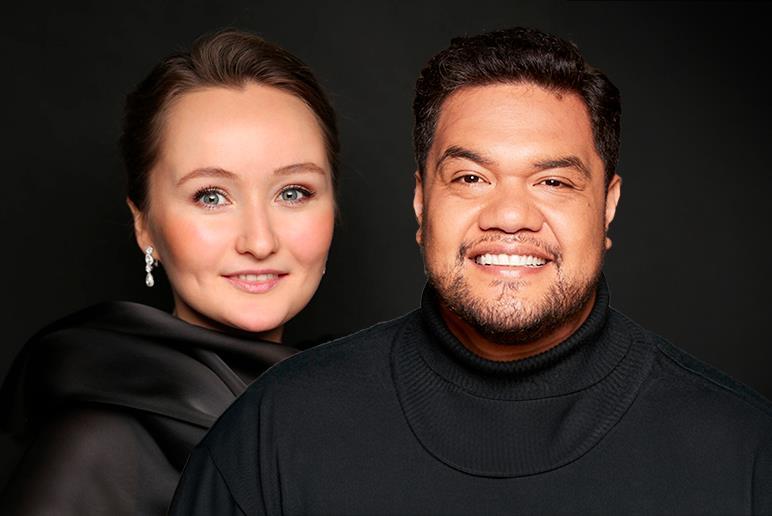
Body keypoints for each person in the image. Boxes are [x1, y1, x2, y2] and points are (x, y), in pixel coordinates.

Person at [170, 26, 772, 515]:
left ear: (608, 205)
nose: (510, 216)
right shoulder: (275, 432)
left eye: (553, 182)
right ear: (421, 201)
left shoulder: (744, 450)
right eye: (470, 178)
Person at [0, 29, 338, 515]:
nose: (260, 241)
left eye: (293, 192)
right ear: (144, 224)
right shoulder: (97, 447)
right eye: (211, 196)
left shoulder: (358, 397)